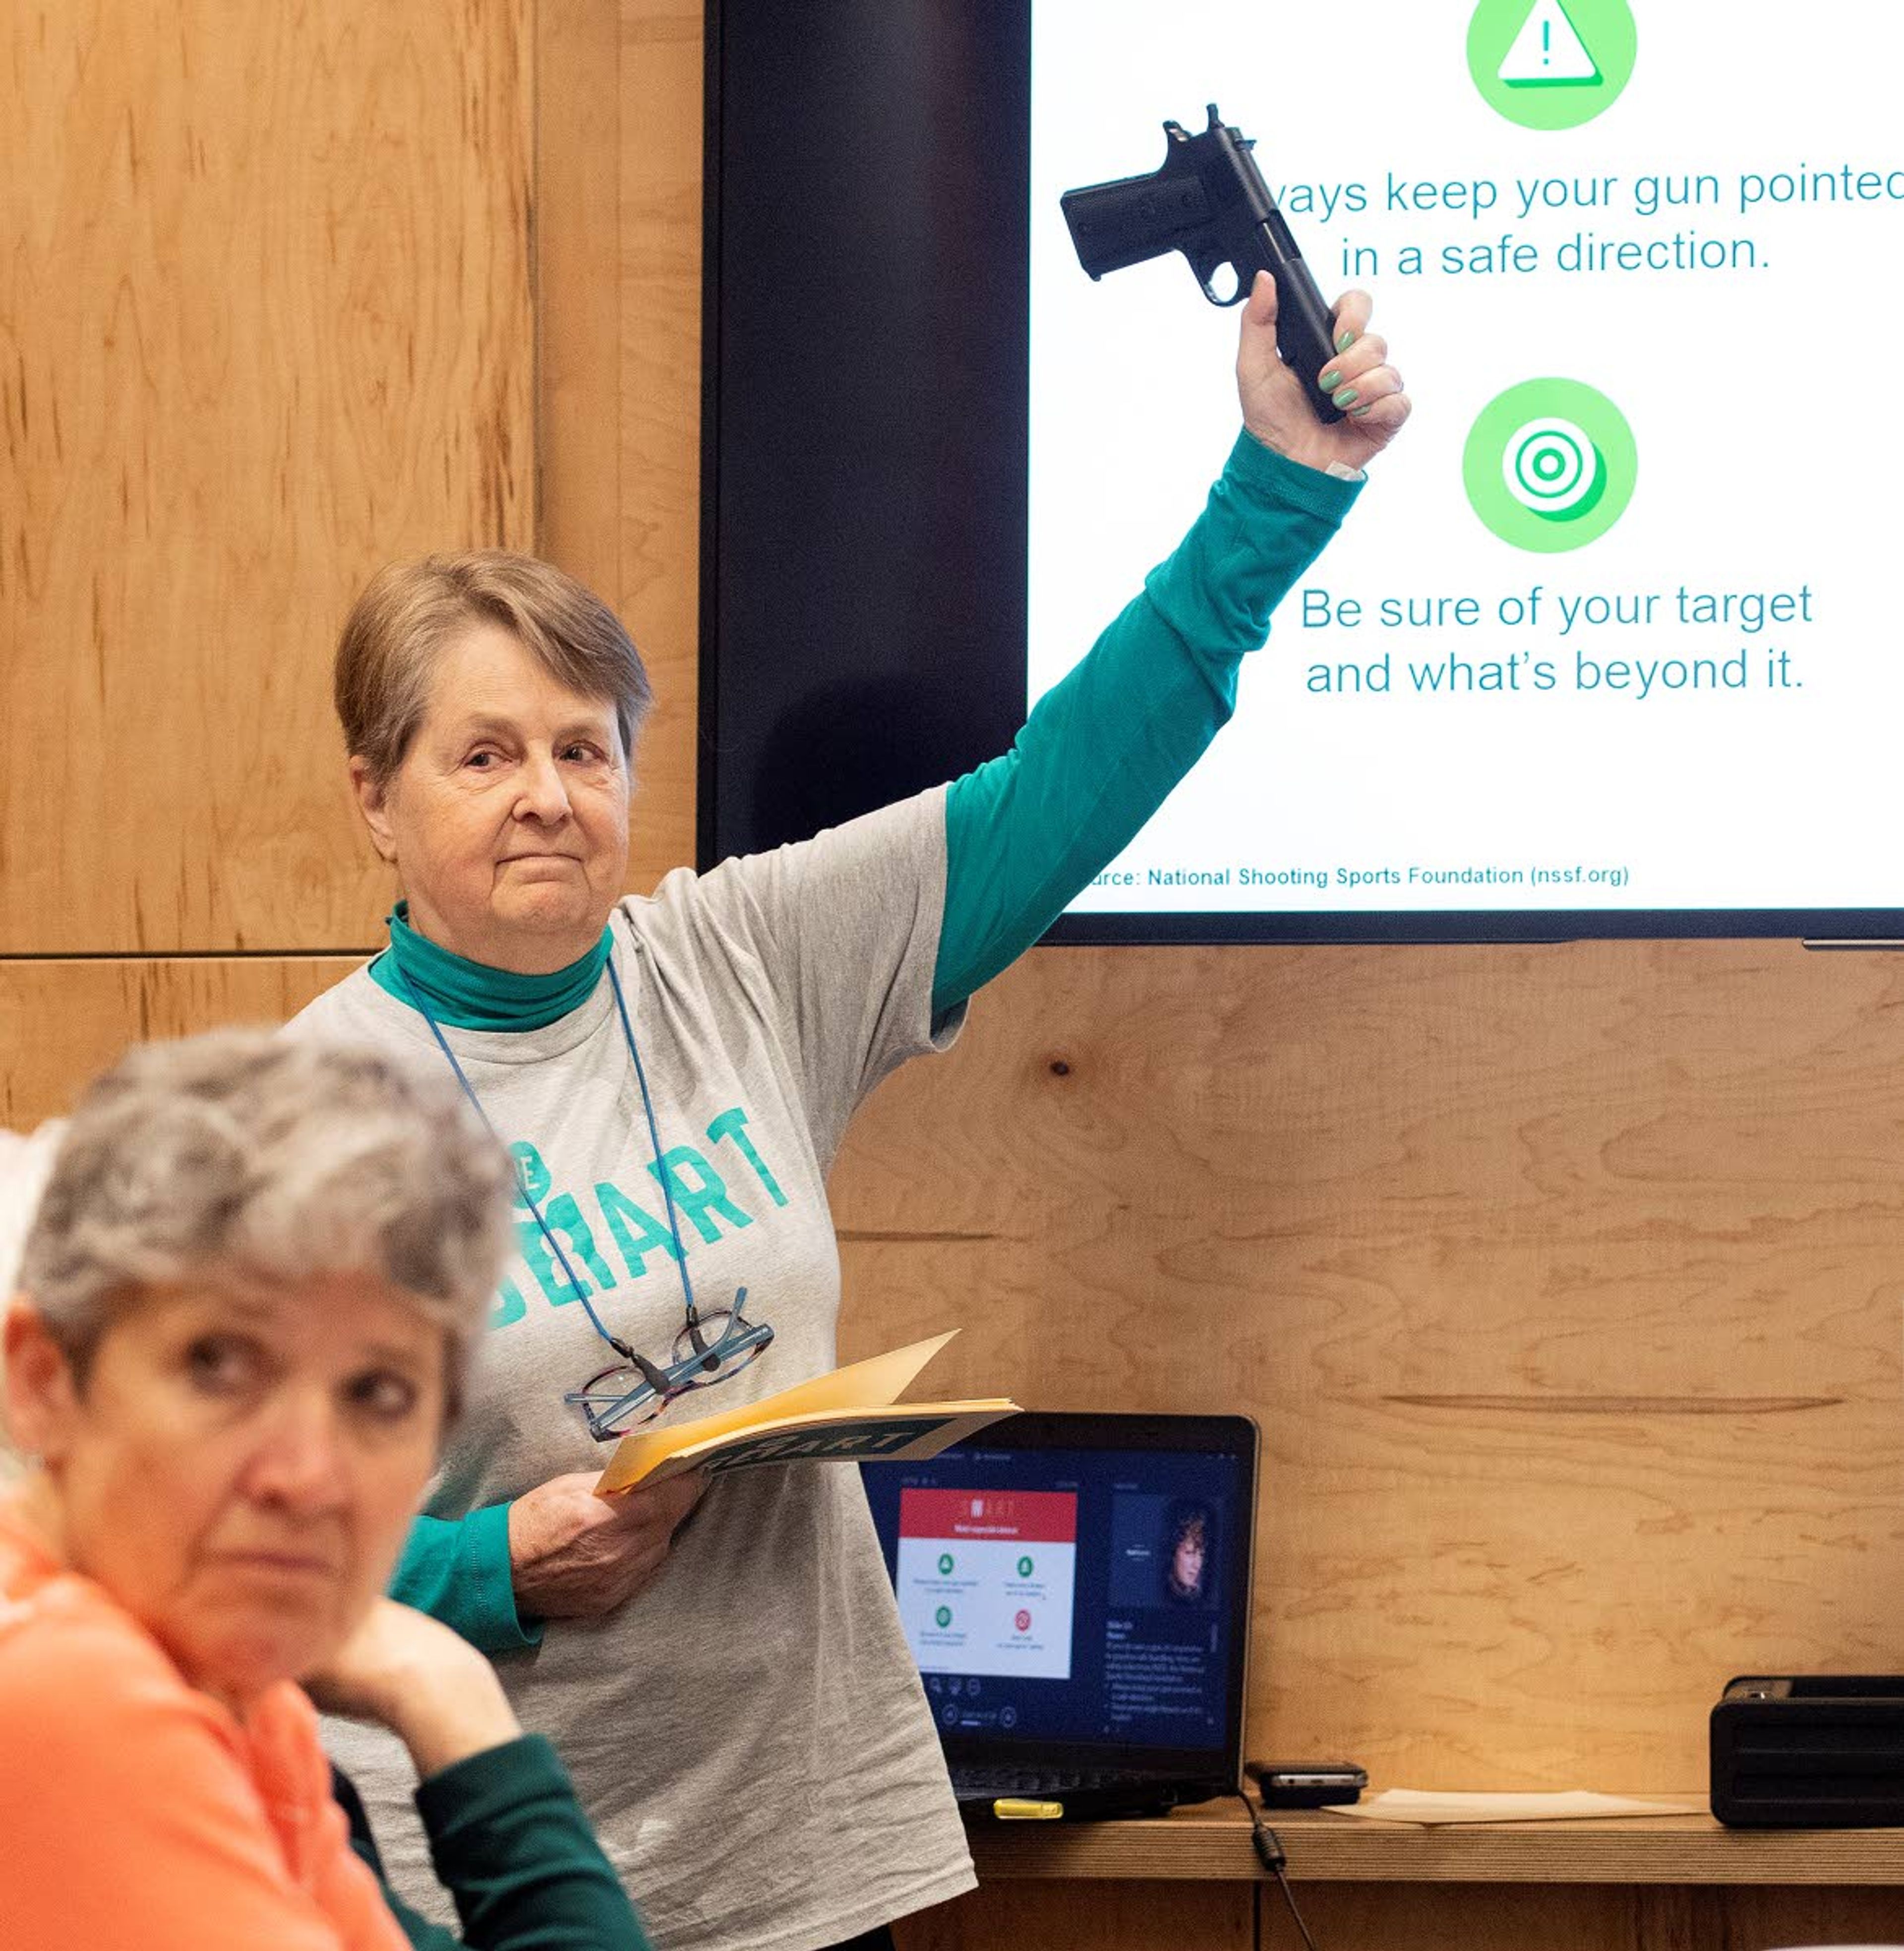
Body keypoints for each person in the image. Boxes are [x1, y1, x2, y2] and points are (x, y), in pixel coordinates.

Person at [288, 272, 1410, 1951]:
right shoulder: (282, 1119)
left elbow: (1064, 785)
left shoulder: (742, 956)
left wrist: (1281, 485)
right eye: (484, 754)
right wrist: (483, 1567)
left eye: (586, 752)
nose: (546, 797)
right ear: (375, 796)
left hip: (806, 1864)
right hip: (479, 1892)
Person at [0, 1031, 649, 1951]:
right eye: (217, 1366)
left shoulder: (218, 1668)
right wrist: (452, 1698)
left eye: (378, 1393)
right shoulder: (62, 1692)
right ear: (42, 1384)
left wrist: (440, 1679)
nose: (308, 1478)